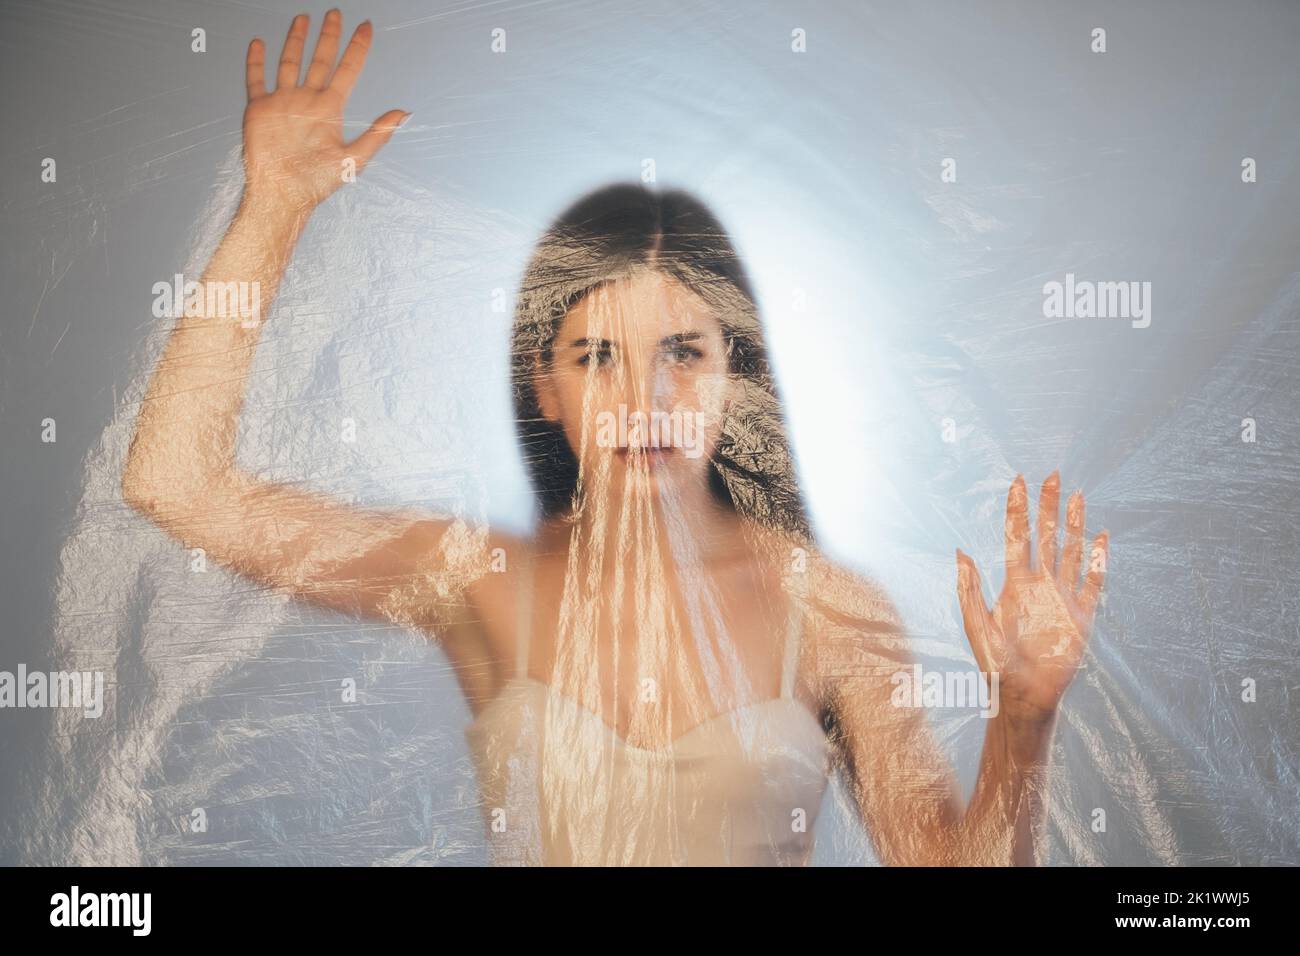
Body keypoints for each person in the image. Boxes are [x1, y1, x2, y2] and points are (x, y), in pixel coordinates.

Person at [123, 10, 1110, 866]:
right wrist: (273, 209)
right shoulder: (470, 580)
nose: (645, 396)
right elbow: (176, 482)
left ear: (733, 377)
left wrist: (1022, 718)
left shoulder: (832, 611)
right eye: (597, 355)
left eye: (682, 349)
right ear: (545, 387)